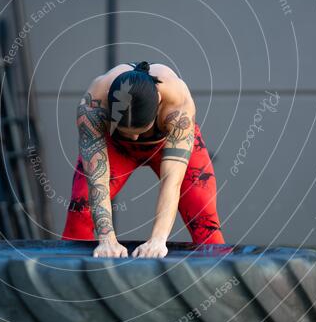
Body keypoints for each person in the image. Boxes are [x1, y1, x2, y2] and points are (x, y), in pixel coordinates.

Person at [63, 61, 226, 258]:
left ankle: (223, 284)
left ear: (157, 106)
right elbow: (98, 182)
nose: (134, 139)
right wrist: (107, 240)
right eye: (126, 132)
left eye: (140, 132)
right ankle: (71, 283)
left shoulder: (178, 108)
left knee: (203, 215)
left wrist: (158, 239)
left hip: (167, 144)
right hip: (115, 147)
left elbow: (171, 183)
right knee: (81, 209)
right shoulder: (93, 106)